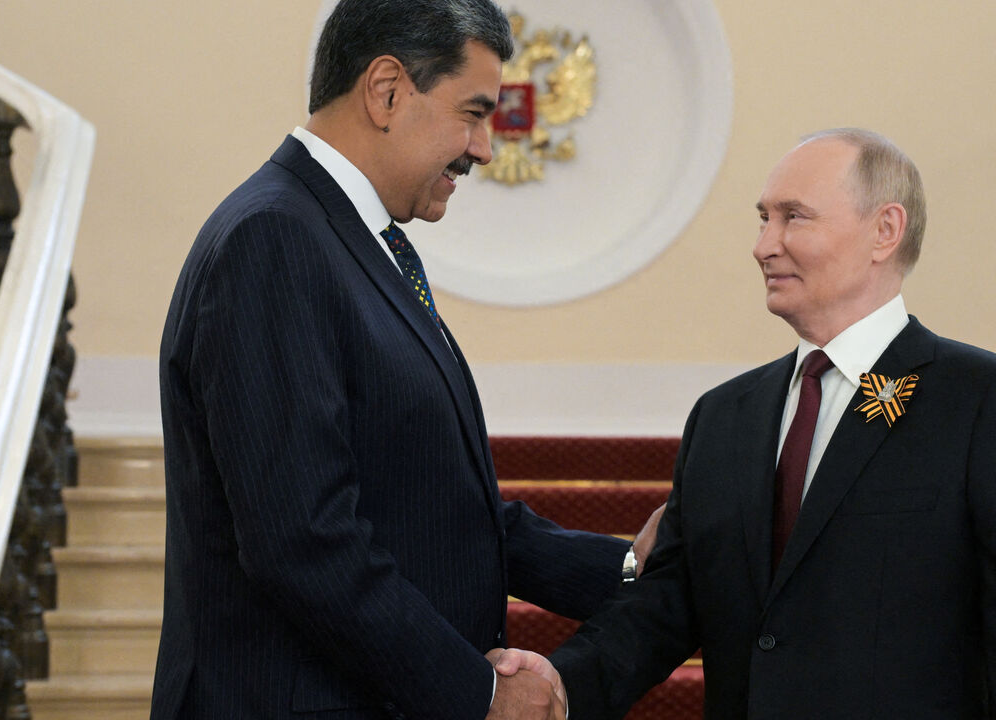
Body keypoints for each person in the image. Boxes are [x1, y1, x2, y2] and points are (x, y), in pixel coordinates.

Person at [152, 2, 655, 718]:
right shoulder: (273, 239)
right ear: (387, 91)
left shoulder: (355, 240)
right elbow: (305, 543)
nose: (483, 147)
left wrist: (631, 568)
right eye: (473, 112)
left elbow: (430, 504)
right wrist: (478, 693)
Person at [502, 129, 996, 718]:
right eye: (763, 219)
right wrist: (561, 684)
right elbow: (669, 603)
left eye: (793, 218)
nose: (764, 245)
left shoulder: (984, 400)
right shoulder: (724, 416)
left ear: (885, 231)